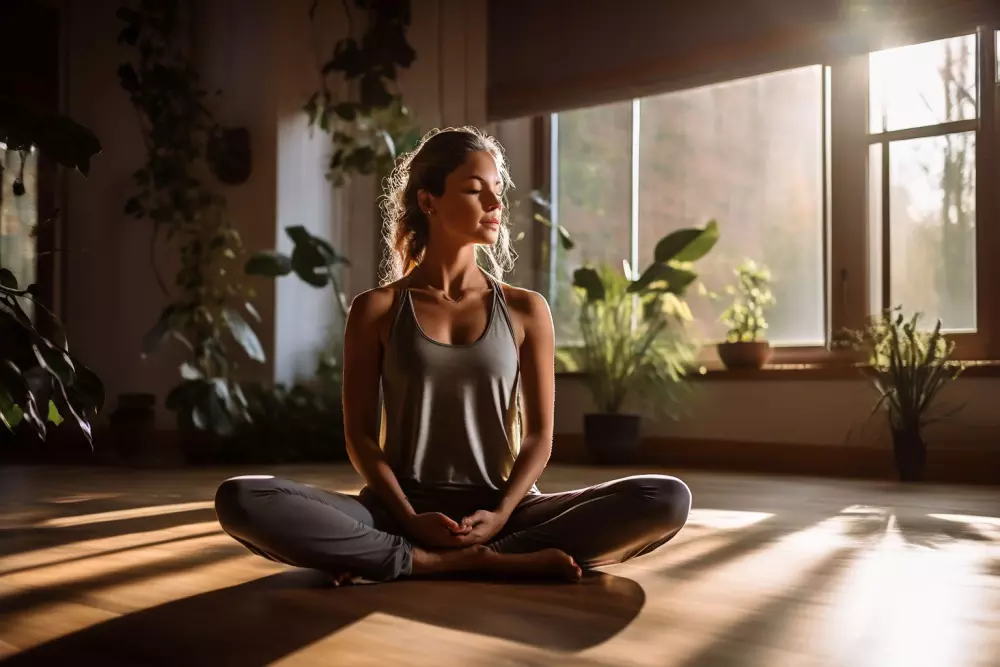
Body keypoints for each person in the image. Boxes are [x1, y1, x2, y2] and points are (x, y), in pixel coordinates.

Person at [214, 126, 692, 584]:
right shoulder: (376, 309)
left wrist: (501, 514)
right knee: (243, 498)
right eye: (473, 189)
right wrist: (408, 517)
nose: (494, 203)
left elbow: (540, 436)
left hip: (505, 513)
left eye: (497, 189)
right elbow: (360, 437)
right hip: (396, 512)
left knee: (664, 497)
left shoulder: (526, 310)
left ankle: (447, 558)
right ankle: (457, 562)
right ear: (428, 200)